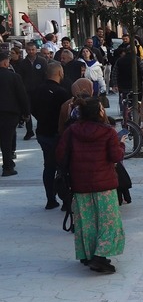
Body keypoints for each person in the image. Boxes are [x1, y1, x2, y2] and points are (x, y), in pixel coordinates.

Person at [55, 96, 125, 274]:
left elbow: (61, 156)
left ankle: (87, 254)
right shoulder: (108, 132)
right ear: (99, 112)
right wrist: (121, 145)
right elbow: (116, 157)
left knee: (86, 223)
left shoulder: (71, 131)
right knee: (108, 222)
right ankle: (100, 257)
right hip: (105, 186)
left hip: (80, 185)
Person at [31, 62, 71, 209]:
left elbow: (33, 109)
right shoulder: (61, 92)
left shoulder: (36, 90)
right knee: (63, 166)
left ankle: (50, 198)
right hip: (58, 135)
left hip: (42, 132)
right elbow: (66, 114)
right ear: (60, 73)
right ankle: (66, 200)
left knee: (48, 166)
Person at [0, 51, 30, 176]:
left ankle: (9, 162)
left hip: (8, 112)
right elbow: (22, 96)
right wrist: (26, 112)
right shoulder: (14, 77)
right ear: (6, 63)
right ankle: (7, 166)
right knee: (7, 139)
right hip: (10, 112)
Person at [16, 42, 47, 140]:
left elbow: (45, 75)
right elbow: (20, 77)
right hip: (27, 91)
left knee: (40, 111)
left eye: (33, 49)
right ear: (26, 50)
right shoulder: (22, 63)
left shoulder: (42, 61)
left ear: (36, 50)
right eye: (29, 50)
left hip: (40, 90)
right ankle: (29, 131)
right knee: (27, 111)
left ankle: (42, 129)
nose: (31, 52)